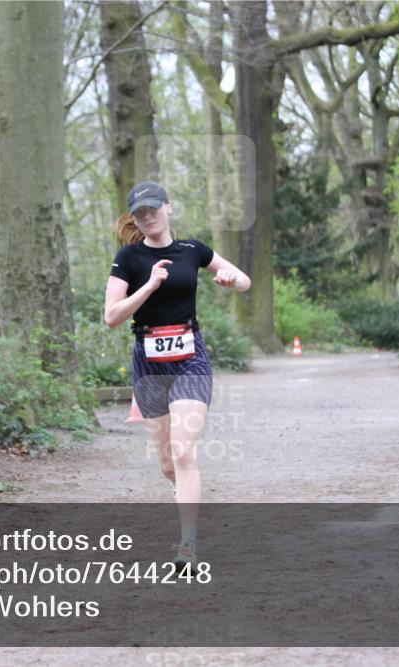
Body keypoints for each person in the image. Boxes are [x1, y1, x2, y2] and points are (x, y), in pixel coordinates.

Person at [103, 180, 251, 572]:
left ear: (168, 208)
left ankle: (187, 546)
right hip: (148, 364)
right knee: (168, 462)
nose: (148, 216)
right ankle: (182, 489)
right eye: (140, 212)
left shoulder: (192, 250)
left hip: (190, 360)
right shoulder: (128, 259)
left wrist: (229, 280)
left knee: (184, 452)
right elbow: (111, 317)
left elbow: (244, 281)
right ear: (135, 218)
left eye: (154, 208)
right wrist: (149, 286)